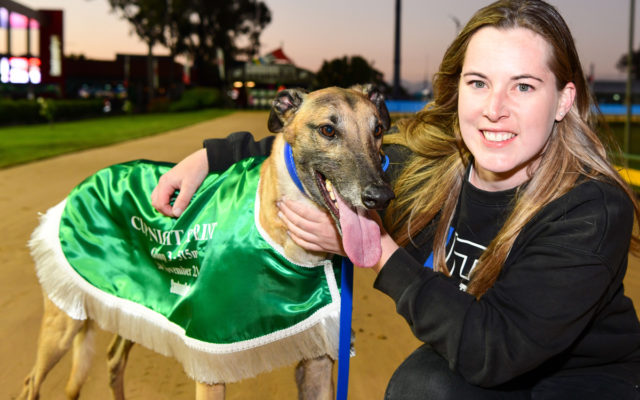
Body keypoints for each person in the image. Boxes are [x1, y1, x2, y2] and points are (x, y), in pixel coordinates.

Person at [151, 1, 640, 398]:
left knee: (424, 387)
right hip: (477, 358)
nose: (495, 108)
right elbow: (321, 138)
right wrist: (207, 159)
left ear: (562, 100)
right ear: (457, 90)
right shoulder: (431, 171)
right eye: (479, 83)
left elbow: (495, 351)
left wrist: (373, 248)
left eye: (524, 86)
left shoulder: (591, 210)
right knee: (420, 386)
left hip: (575, 382)